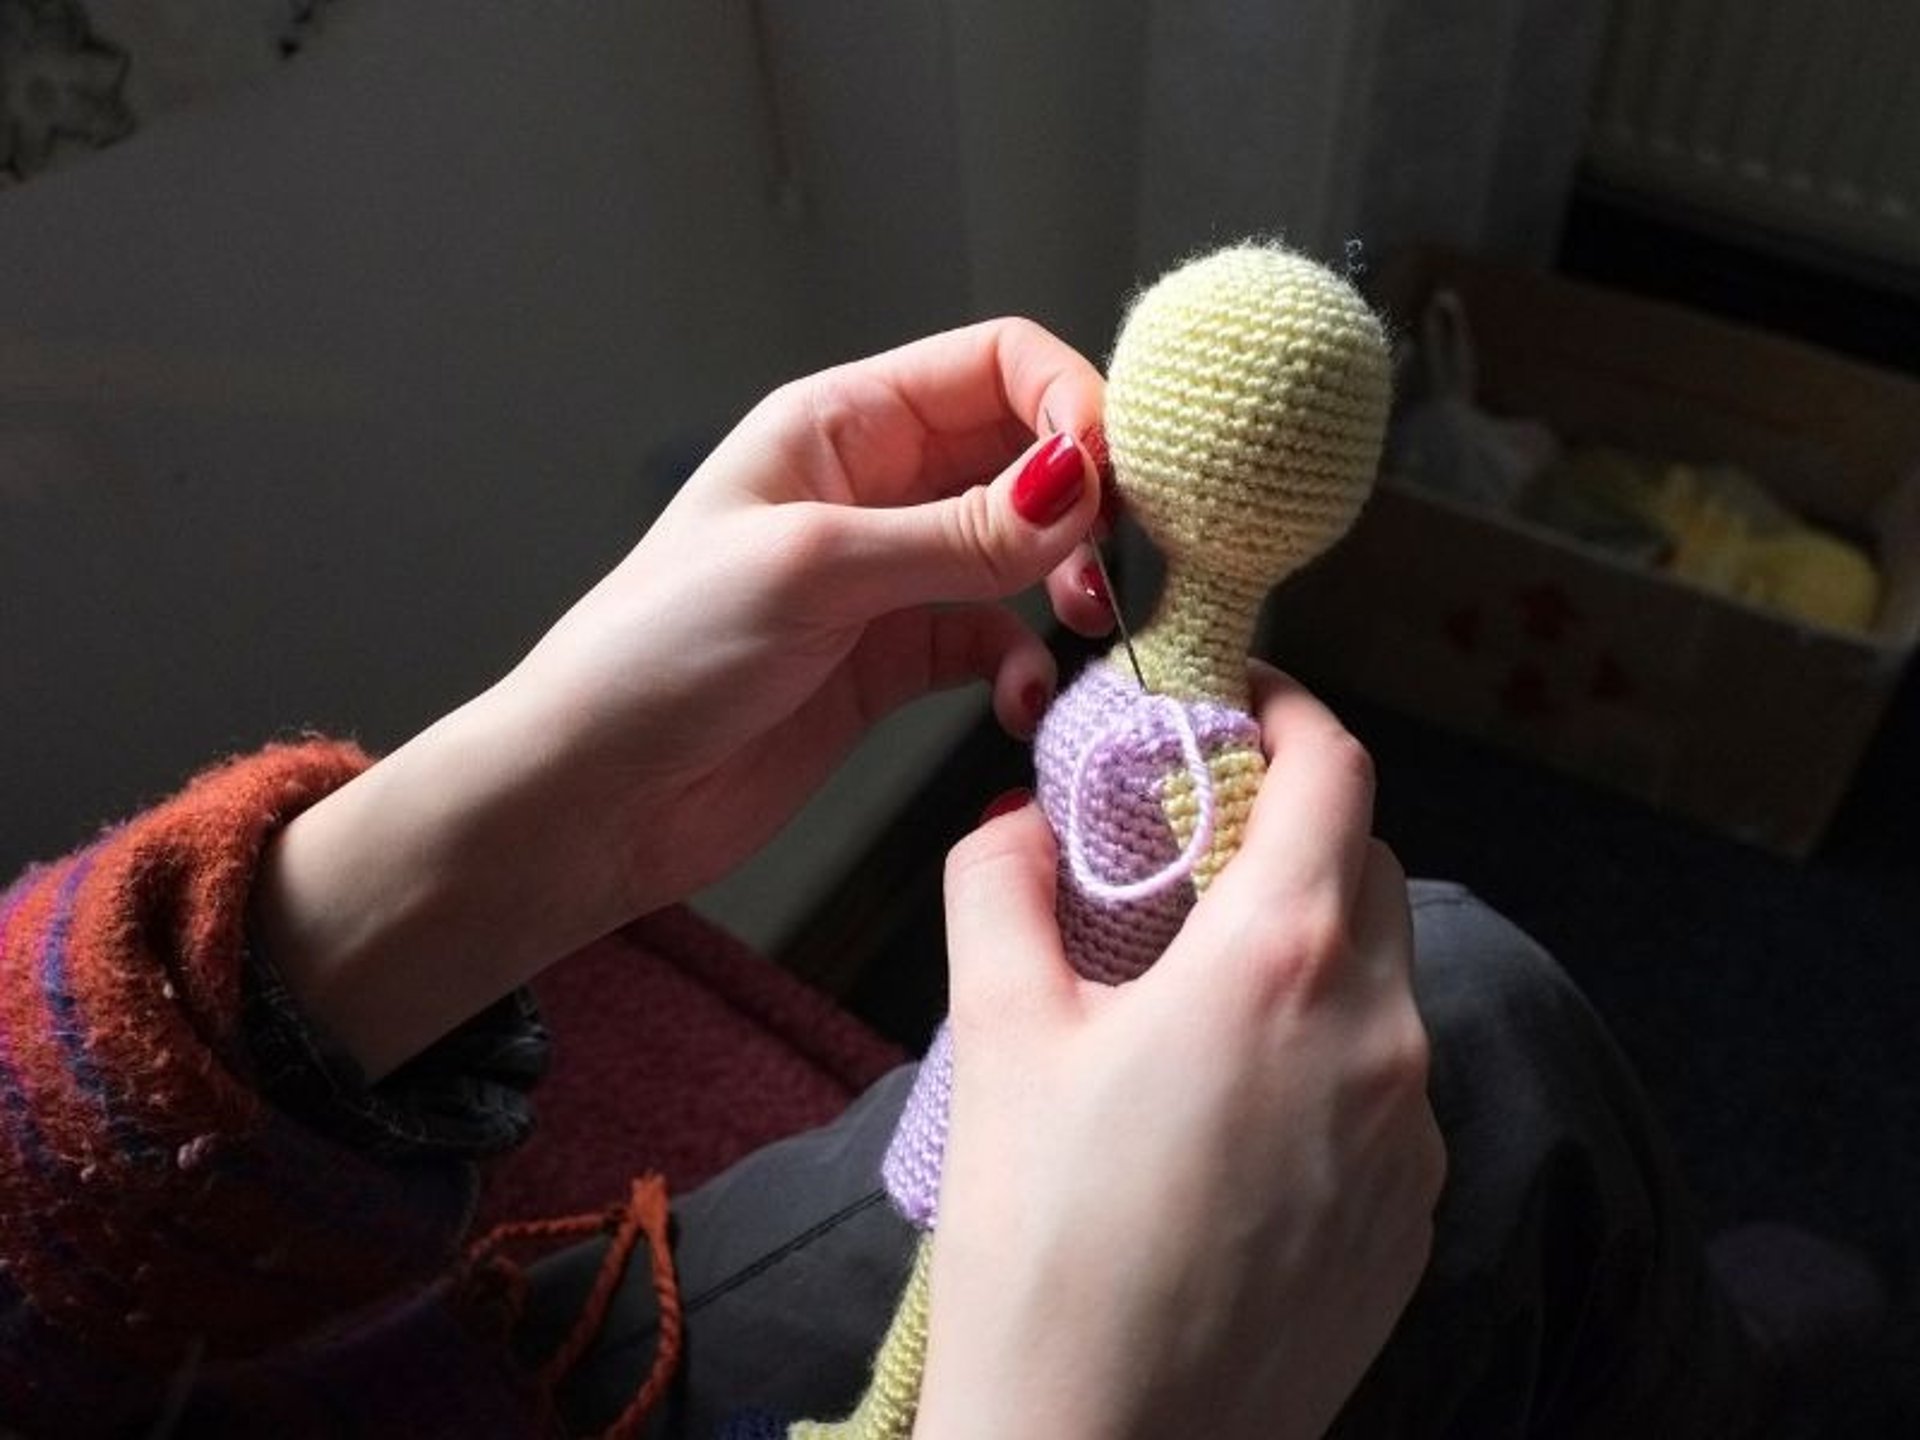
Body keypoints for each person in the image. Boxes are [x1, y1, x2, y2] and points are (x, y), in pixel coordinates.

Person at [0, 318, 1830, 1437]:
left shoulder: (1141, 719)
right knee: (1474, 1078)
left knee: (1464, 1031)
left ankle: (1689, 1368)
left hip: (406, 1390)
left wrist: (508, 818)